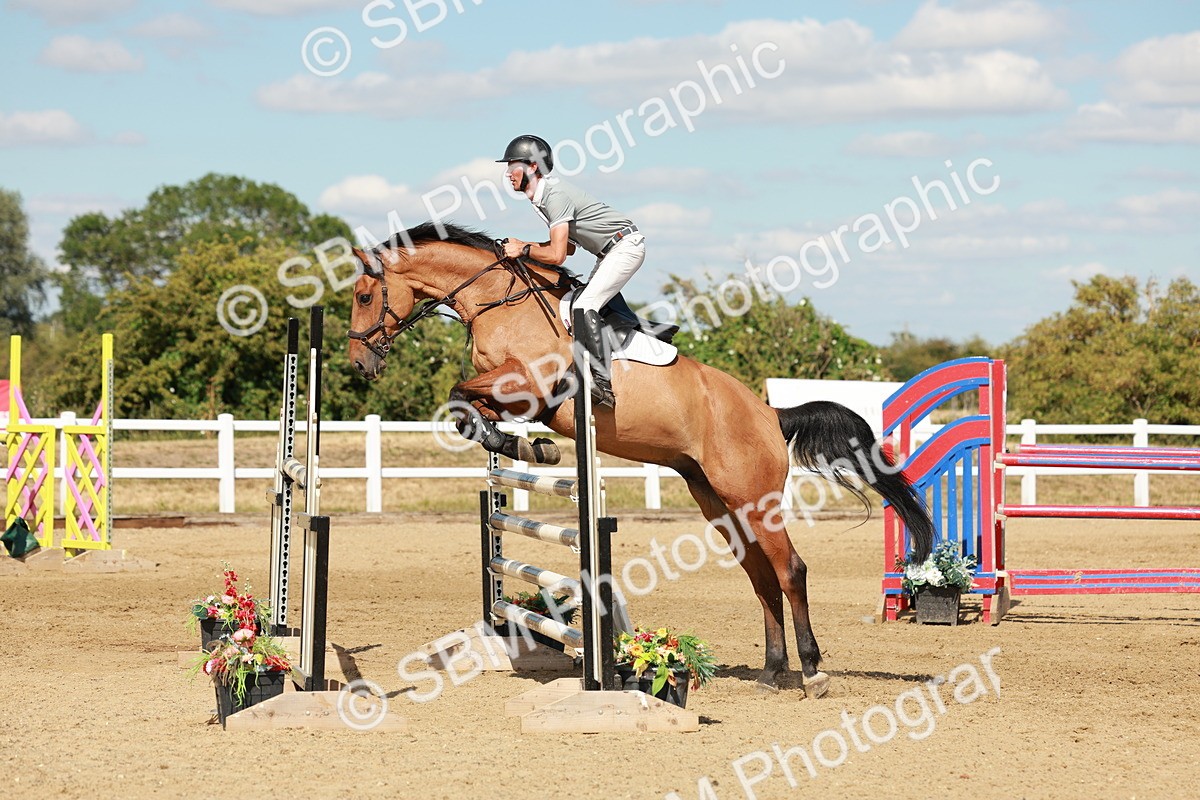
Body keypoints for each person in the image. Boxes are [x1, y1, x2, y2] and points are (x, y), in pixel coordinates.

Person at [497, 134, 644, 408]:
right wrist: (522, 246)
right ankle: (635, 331)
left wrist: (524, 249)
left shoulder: (554, 195)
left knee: (584, 305)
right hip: (610, 251)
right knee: (584, 301)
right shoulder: (540, 200)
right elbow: (570, 249)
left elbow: (557, 254)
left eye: (512, 166)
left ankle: (601, 386)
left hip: (625, 246)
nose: (508, 174)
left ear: (532, 167)